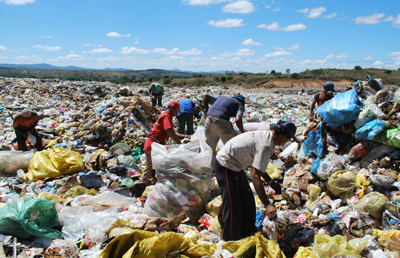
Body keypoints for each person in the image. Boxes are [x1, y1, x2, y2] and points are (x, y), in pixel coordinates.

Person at [216, 120, 299, 241]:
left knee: (248, 199)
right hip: (226, 164)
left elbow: (259, 166)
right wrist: (267, 205)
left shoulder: (268, 139)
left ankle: (247, 231)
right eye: (288, 140)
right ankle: (231, 240)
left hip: (236, 165)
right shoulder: (266, 144)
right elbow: (255, 177)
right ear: (284, 136)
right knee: (233, 205)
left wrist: (270, 182)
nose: (287, 142)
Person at [141, 101, 190, 185]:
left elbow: (172, 132)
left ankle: (152, 183)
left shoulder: (168, 116)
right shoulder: (166, 116)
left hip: (156, 146)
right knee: (150, 168)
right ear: (171, 108)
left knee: (156, 167)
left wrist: (183, 136)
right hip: (152, 145)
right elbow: (169, 131)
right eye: (176, 111)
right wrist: (179, 143)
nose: (176, 114)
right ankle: (141, 187)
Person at [205, 95, 245, 169]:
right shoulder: (239, 104)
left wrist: (207, 111)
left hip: (208, 120)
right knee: (234, 147)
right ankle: (234, 168)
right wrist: (243, 132)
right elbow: (238, 119)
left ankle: (210, 169)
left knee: (210, 148)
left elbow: (205, 96)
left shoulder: (220, 98)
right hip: (221, 121)